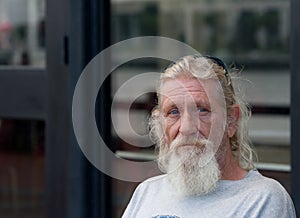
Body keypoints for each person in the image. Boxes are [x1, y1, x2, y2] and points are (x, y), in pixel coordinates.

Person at [122, 55, 296, 218]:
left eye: (202, 110)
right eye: (173, 112)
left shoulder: (262, 198)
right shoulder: (146, 192)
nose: (187, 128)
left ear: (231, 120)